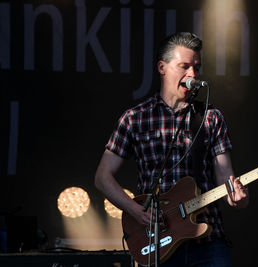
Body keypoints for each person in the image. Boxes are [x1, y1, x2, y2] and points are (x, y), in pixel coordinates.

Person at [95, 32, 249, 267]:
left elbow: (225, 178)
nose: (193, 75)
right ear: (162, 67)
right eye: (184, 66)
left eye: (197, 67)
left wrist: (237, 199)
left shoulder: (210, 118)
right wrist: (136, 211)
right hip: (158, 241)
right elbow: (102, 178)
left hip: (207, 243)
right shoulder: (135, 118)